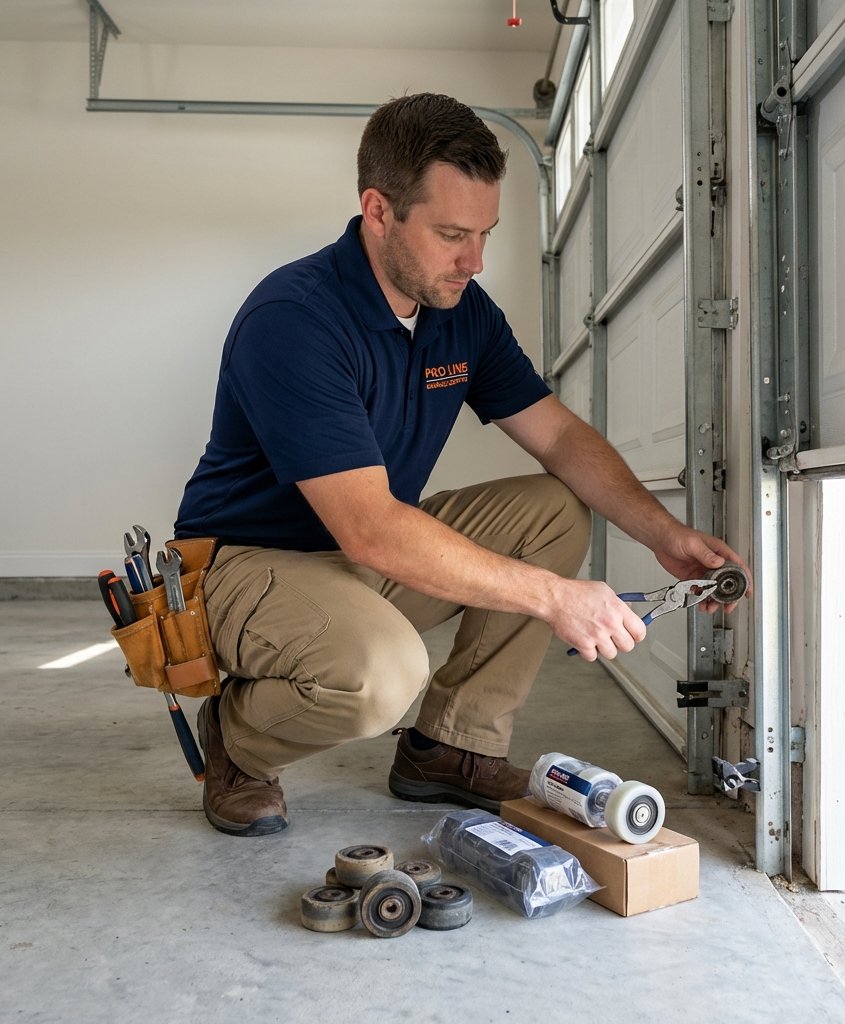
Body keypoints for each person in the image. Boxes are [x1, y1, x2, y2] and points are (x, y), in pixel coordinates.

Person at [175, 92, 750, 837]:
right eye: (451, 234)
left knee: (552, 508)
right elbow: (372, 532)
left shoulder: (462, 310)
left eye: (484, 234)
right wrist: (554, 598)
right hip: (248, 564)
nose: (473, 261)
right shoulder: (295, 318)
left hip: (358, 552)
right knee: (383, 673)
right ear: (378, 211)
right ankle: (240, 741)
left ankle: (451, 747)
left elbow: (559, 440)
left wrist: (662, 534)